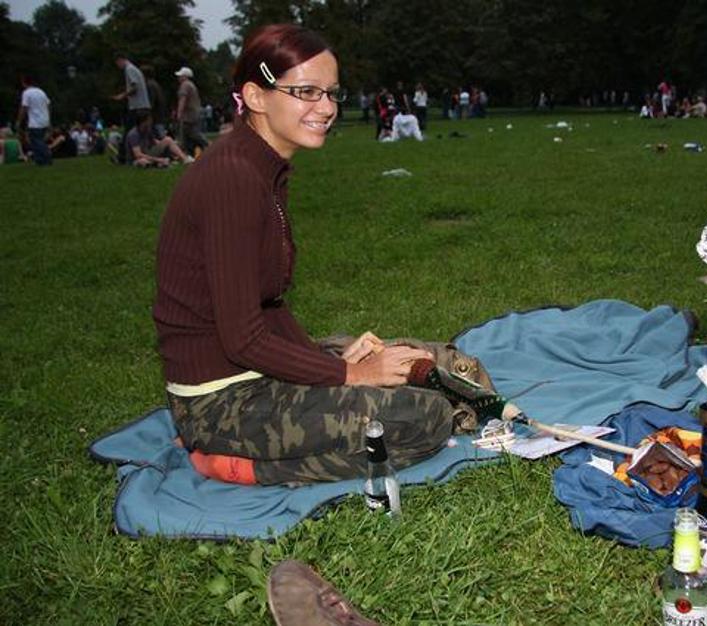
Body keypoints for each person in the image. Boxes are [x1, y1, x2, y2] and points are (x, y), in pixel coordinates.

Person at [153, 24, 493, 489]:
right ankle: (232, 462)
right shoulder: (232, 178)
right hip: (222, 402)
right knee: (428, 418)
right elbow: (242, 340)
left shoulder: (262, 167)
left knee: (446, 368)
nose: (328, 107)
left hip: (257, 371)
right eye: (306, 92)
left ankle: (310, 399)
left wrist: (324, 361)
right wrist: (350, 374)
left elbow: (267, 304)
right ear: (255, 96)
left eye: (331, 93)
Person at [112, 54, 151, 163]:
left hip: (137, 106)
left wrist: (122, 95)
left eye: (117, 64)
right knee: (141, 131)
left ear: (120, 60)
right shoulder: (135, 69)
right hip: (142, 105)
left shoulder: (129, 69)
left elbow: (134, 87)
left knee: (129, 131)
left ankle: (123, 156)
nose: (118, 66)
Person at [125, 113, 193, 167]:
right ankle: (159, 163)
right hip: (137, 159)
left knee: (168, 140)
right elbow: (138, 155)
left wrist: (171, 146)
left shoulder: (147, 131)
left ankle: (184, 158)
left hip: (147, 153)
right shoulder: (134, 134)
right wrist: (158, 159)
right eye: (149, 120)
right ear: (143, 122)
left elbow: (155, 142)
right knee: (143, 161)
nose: (151, 122)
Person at [17, 76, 53, 166]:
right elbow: (48, 105)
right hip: (44, 120)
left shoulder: (26, 93)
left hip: (35, 122)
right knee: (38, 140)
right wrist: (48, 118)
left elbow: (24, 108)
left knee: (36, 141)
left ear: (24, 83)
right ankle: (39, 160)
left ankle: (46, 157)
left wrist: (19, 120)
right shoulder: (41, 92)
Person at [174, 66, 209, 155]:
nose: (179, 77)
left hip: (188, 115)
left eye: (180, 76)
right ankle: (191, 151)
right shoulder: (192, 85)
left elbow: (183, 99)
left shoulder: (185, 85)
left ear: (185, 76)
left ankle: (208, 146)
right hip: (195, 114)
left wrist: (179, 113)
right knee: (192, 134)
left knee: (188, 135)